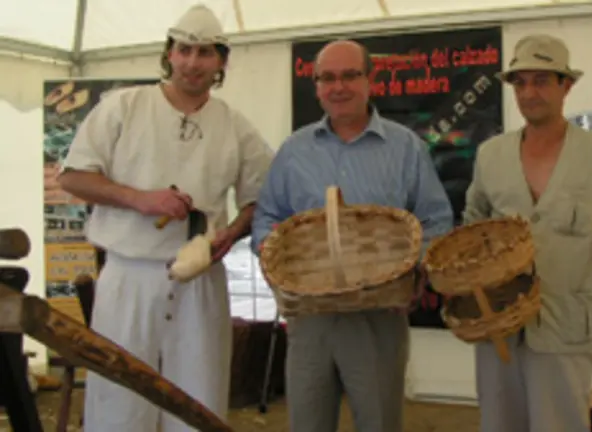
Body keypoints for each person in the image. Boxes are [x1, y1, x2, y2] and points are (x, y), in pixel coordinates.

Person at [57, 5, 274, 431]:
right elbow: (73, 178)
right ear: (169, 54)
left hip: (201, 284)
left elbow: (261, 197)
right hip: (128, 278)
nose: (194, 62)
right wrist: (140, 199)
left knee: (198, 400)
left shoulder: (235, 126)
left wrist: (231, 233)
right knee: (119, 400)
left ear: (222, 62)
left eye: (206, 52)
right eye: (185, 50)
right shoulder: (123, 107)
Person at [463, 34, 592, 432]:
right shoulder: (490, 154)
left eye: (542, 80)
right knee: (498, 422)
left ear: (566, 85)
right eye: (520, 82)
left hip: (564, 324)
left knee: (559, 423)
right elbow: (473, 223)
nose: (529, 92)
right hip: (498, 322)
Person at [251, 39, 454, 432]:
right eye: (327, 78)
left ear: (371, 80)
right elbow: (266, 219)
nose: (338, 87)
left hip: (378, 314)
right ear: (315, 86)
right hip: (310, 318)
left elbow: (437, 220)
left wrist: (412, 272)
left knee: (379, 422)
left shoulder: (405, 147)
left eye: (349, 75)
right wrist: (274, 258)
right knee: (307, 423)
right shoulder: (294, 151)